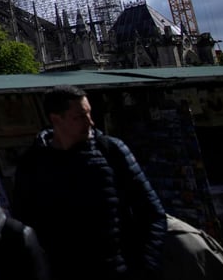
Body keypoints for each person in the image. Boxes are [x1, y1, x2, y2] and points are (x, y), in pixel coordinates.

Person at [12, 85, 167, 280]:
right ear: (56, 119)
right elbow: (23, 227)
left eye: (89, 114)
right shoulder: (32, 165)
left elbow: (153, 214)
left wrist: (145, 269)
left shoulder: (112, 151)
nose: (90, 122)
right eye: (80, 117)